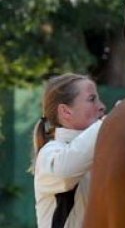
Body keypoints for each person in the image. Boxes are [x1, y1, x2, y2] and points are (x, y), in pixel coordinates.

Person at [31, 73, 106, 228]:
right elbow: (66, 170)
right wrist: (111, 122)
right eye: (92, 99)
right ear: (66, 112)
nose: (102, 106)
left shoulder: (101, 150)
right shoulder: (50, 153)